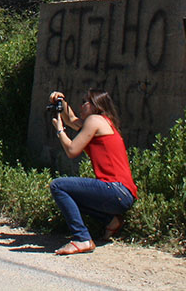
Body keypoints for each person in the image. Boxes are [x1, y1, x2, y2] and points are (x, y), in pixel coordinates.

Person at [48, 88, 138, 255]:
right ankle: (111, 220)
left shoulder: (95, 120)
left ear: (94, 105)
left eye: (84, 102)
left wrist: (60, 131)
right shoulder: (104, 122)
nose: (81, 105)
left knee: (58, 186)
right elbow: (72, 119)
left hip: (114, 189)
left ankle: (82, 238)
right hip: (123, 194)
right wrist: (61, 101)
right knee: (72, 194)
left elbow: (72, 150)